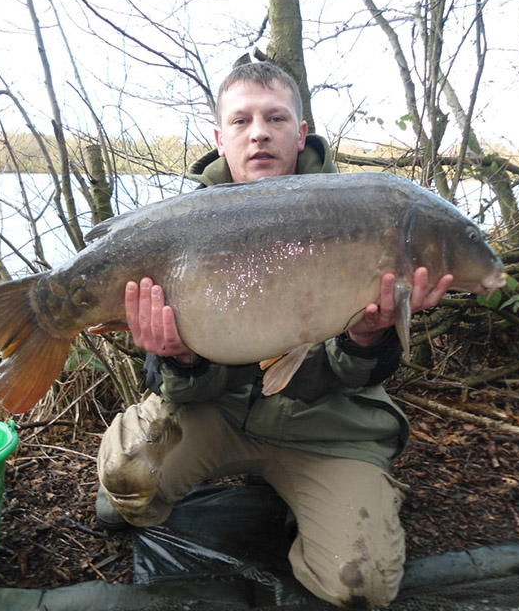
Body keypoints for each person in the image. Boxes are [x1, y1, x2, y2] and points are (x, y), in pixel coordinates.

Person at [96, 61, 452, 609]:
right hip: (221, 415)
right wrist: (181, 357)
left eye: (275, 117)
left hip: (327, 428)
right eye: (241, 120)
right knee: (122, 490)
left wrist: (366, 338)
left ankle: (341, 495)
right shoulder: (181, 226)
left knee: (362, 586)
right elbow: (177, 390)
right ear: (221, 139)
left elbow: (366, 373)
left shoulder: (362, 215)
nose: (258, 131)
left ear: (301, 133)